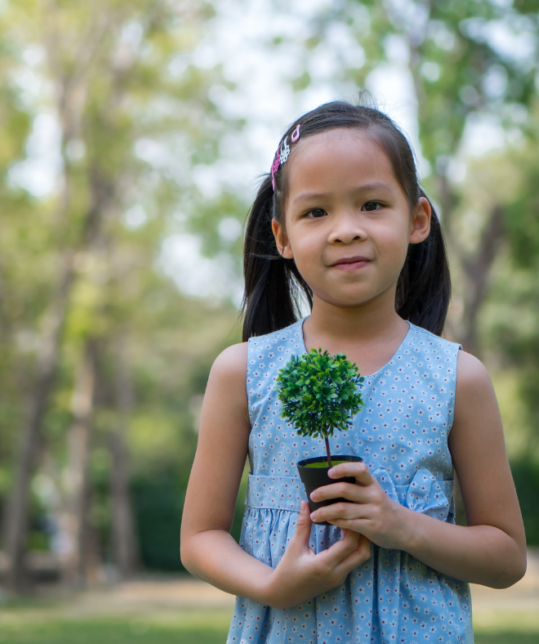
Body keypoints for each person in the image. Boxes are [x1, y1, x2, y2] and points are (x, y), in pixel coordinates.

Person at [180, 101, 527, 644]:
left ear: (417, 220)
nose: (345, 230)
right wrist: (272, 586)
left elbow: (506, 557)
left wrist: (402, 526)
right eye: (316, 212)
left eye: (371, 204)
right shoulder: (243, 372)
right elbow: (199, 537)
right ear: (283, 236)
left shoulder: (458, 378)